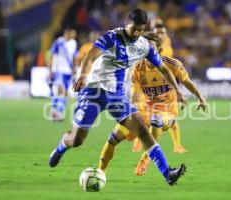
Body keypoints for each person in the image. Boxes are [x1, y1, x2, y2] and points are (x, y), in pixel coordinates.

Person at [49, 8, 186, 186]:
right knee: (77, 140)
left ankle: (168, 173)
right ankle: (62, 146)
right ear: (126, 24)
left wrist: (179, 91)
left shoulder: (144, 45)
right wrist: (82, 75)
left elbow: (164, 69)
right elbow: (90, 57)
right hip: (93, 91)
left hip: (117, 96)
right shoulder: (112, 37)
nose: (137, 33)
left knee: (143, 131)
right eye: (134, 28)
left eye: (140, 29)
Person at [98, 32, 206, 176]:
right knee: (114, 137)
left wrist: (200, 98)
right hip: (145, 111)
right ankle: (99, 172)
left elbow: (187, 82)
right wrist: (130, 114)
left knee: (157, 120)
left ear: (159, 50)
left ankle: (145, 160)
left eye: (152, 48)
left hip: (167, 112)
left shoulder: (173, 65)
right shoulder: (138, 69)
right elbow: (136, 95)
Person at [132, 23, 186, 153]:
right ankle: (138, 142)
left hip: (163, 87)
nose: (160, 35)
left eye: (162, 33)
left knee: (169, 118)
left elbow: (168, 68)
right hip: (147, 85)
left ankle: (177, 145)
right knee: (143, 116)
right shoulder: (148, 46)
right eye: (158, 32)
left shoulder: (167, 48)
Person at [49, 27, 78, 121]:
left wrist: (74, 69)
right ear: (67, 33)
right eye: (72, 33)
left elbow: (74, 57)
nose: (73, 35)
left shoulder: (73, 43)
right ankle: (57, 112)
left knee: (64, 92)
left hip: (68, 72)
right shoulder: (59, 42)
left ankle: (56, 111)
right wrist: (50, 69)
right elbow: (52, 55)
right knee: (60, 90)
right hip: (59, 71)